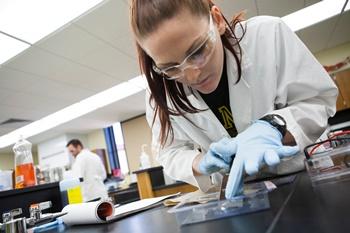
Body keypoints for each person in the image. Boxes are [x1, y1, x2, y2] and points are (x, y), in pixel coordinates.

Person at [129, 0, 338, 199]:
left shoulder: (267, 35)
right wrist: (201, 162)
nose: (193, 75)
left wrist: (274, 128)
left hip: (305, 179)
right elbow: (169, 152)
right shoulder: (159, 91)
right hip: (238, 195)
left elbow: (318, 101)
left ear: (217, 20)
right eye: (171, 67)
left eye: (198, 50)